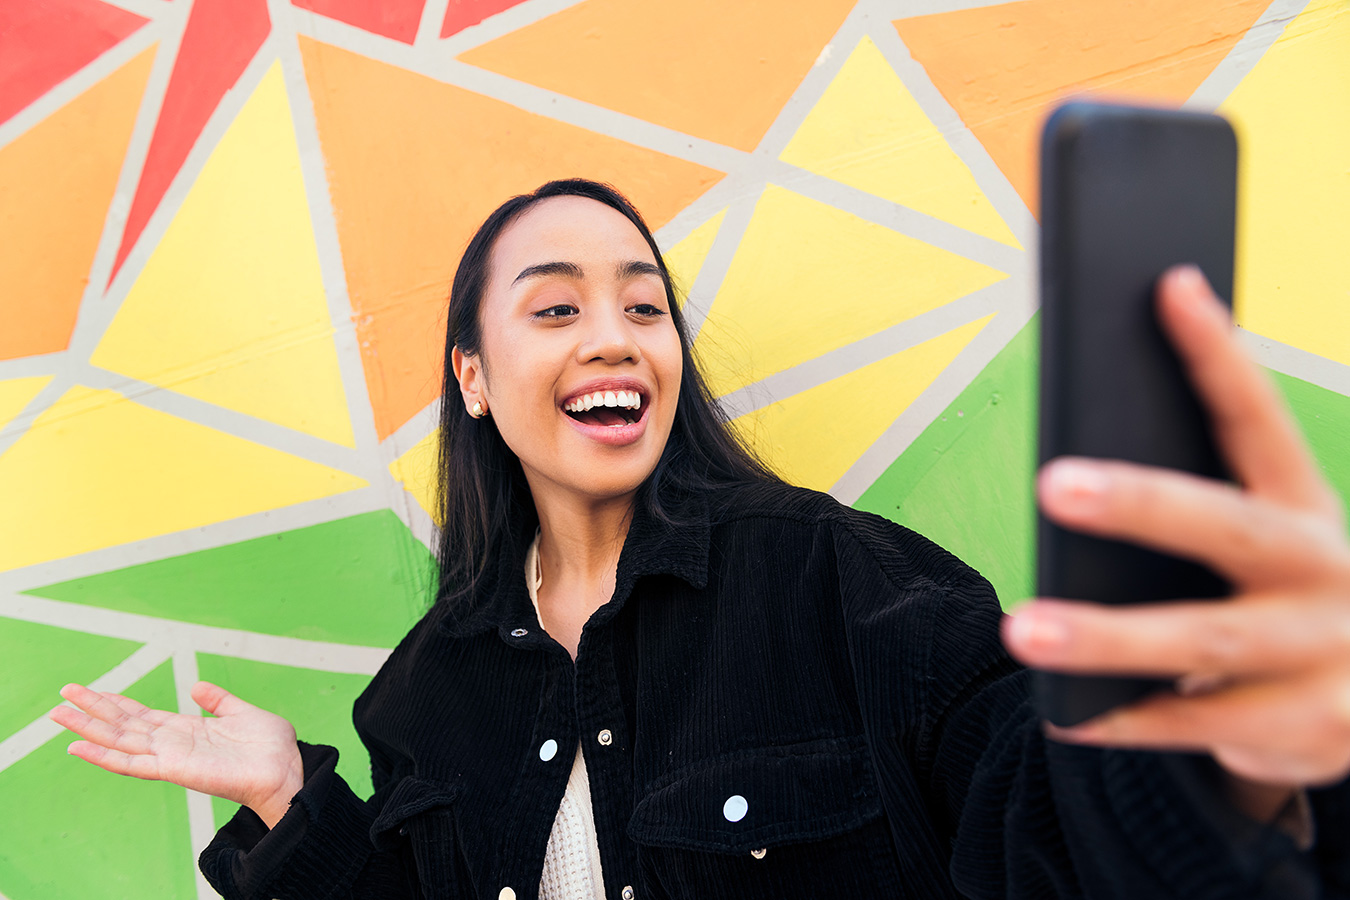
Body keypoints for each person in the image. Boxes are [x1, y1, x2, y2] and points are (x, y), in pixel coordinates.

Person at [51, 179, 1350, 899]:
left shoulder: (833, 579)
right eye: (554, 308)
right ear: (473, 378)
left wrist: (1232, 757)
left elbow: (1041, 806)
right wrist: (289, 796)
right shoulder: (427, 689)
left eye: (643, 306)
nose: (613, 335)